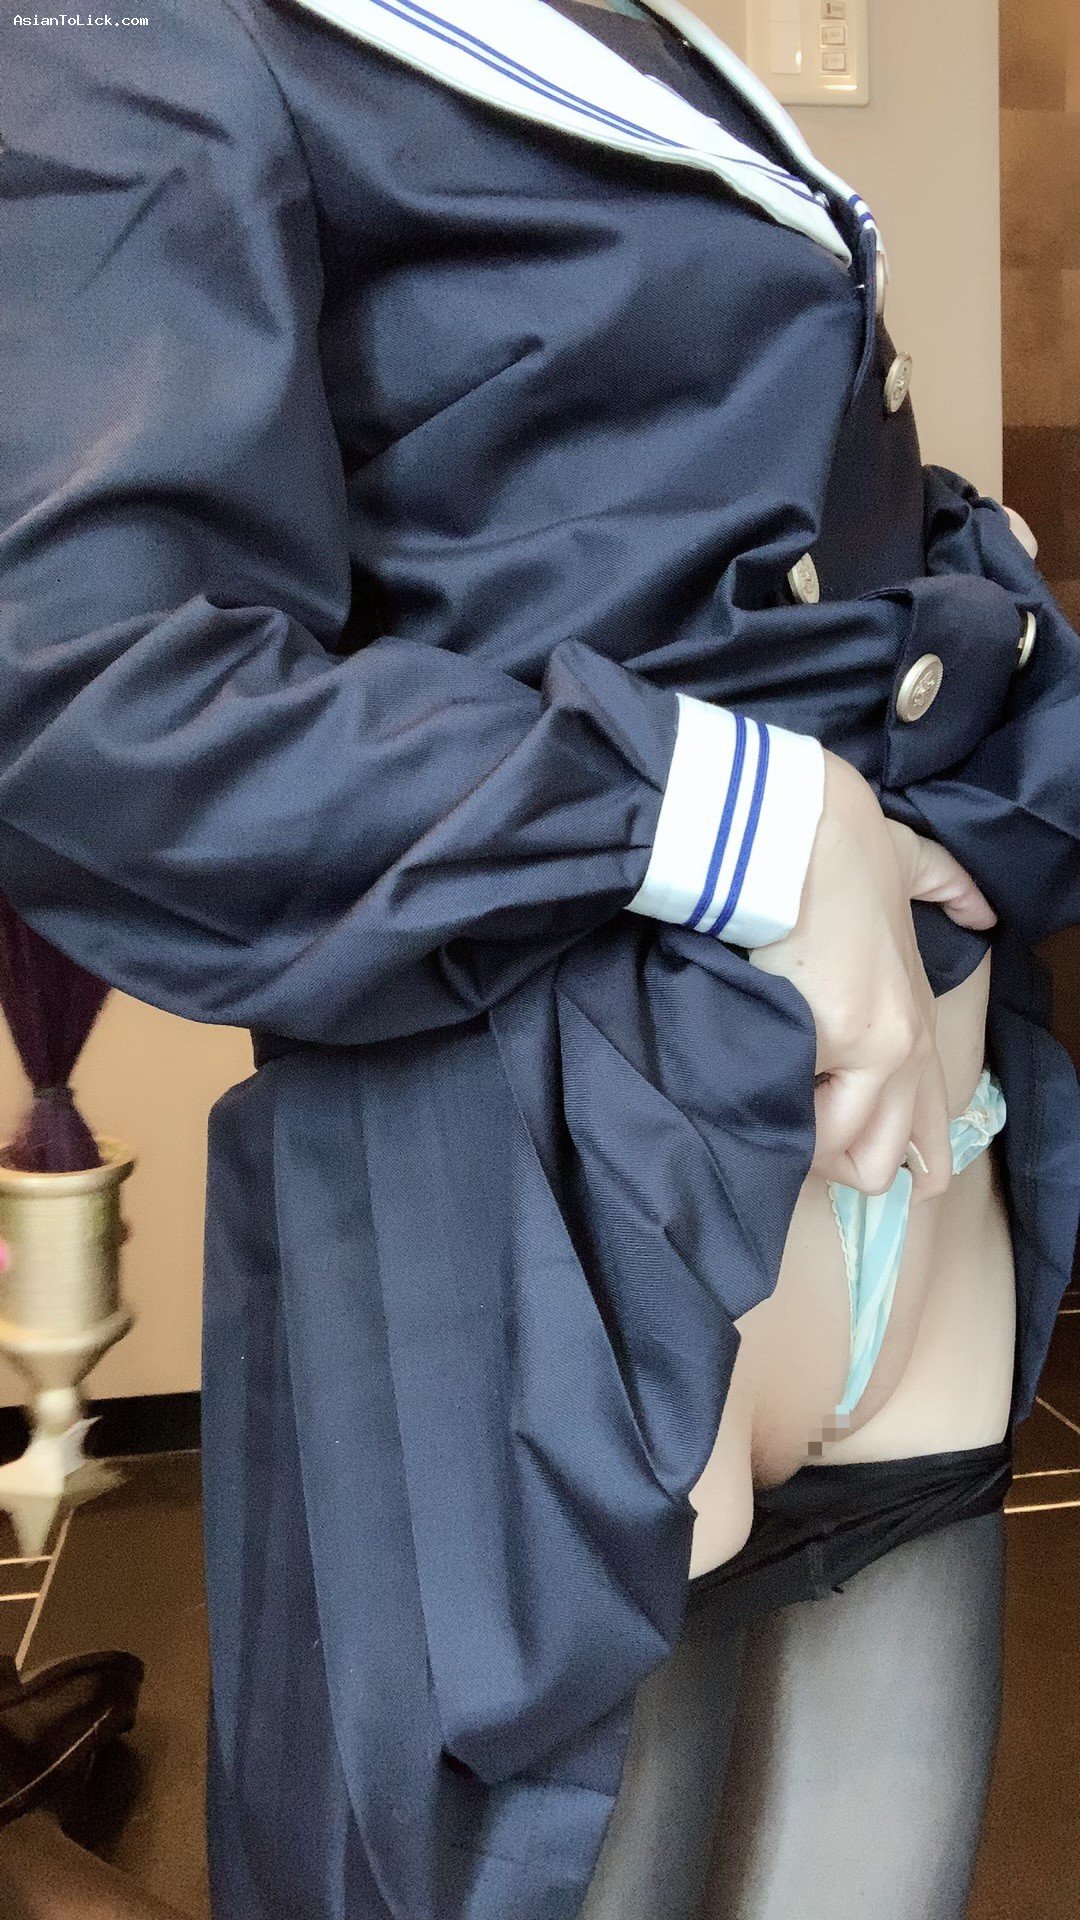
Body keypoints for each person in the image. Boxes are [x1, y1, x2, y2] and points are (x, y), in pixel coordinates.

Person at [1, 1, 1078, 1916]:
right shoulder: (148, 32)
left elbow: (745, 507)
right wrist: (739, 814)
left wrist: (997, 679)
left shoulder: (626, 22)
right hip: (564, 1212)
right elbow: (93, 702)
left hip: (906, 1195)